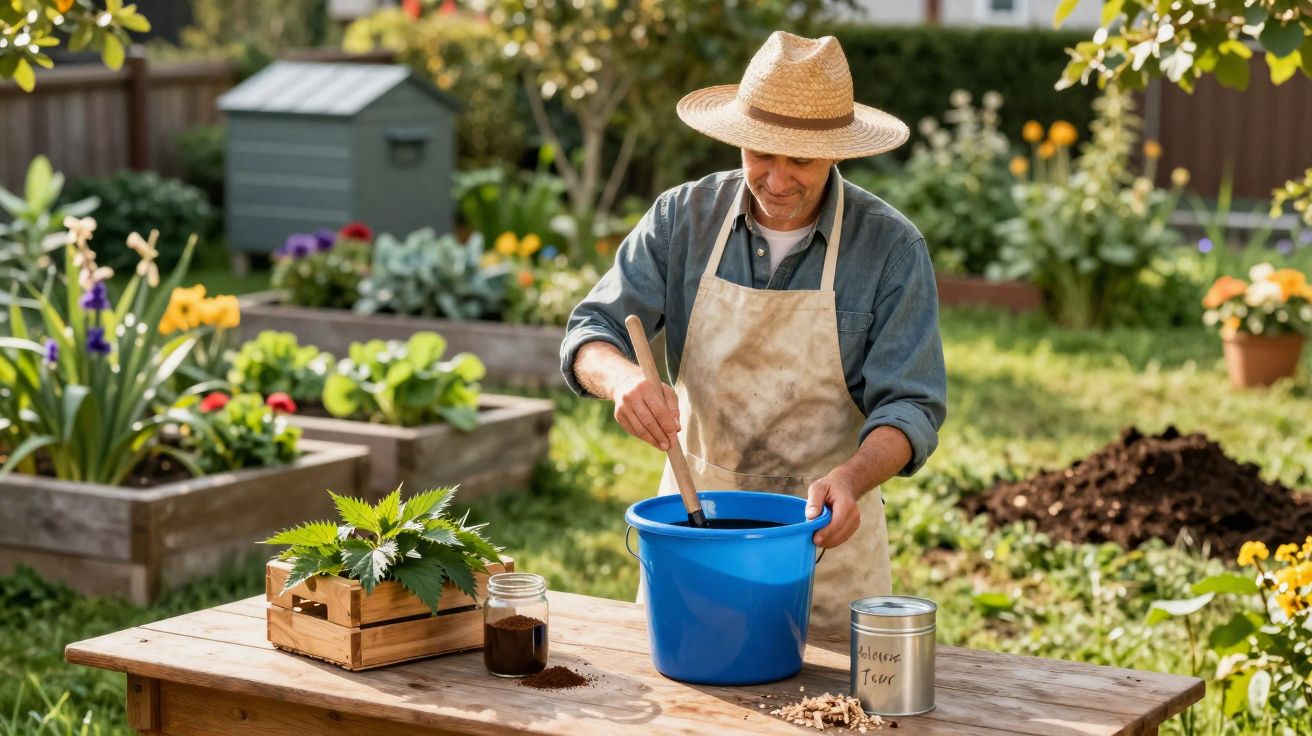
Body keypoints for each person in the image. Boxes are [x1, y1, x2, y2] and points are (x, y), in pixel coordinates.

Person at [559, 31, 947, 629]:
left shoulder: (890, 249)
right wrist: (621, 381)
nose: (778, 178)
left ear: (837, 151)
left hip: (823, 543)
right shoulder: (682, 218)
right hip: (696, 535)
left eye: (802, 160)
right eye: (762, 152)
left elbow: (911, 406)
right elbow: (592, 329)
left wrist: (853, 477)